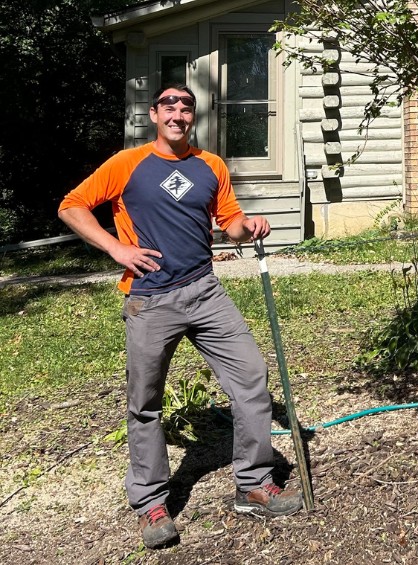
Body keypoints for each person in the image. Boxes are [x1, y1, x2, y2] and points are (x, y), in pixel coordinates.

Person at [58, 84, 303, 549]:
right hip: (149, 299)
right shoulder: (125, 164)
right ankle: (151, 503)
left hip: (205, 290)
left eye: (186, 107)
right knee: (145, 402)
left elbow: (228, 223)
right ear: (154, 115)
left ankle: (253, 485)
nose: (178, 113)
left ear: (193, 117)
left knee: (251, 377)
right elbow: (71, 206)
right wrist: (115, 247)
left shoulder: (210, 166)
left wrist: (248, 226)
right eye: (169, 106)